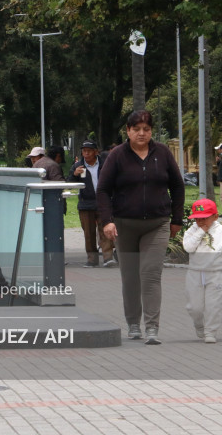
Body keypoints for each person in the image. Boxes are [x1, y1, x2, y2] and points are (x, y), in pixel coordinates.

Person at [97, 109, 184, 345]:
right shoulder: (117, 155)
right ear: (128, 131)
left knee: (151, 275)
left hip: (157, 224)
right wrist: (107, 221)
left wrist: (177, 219)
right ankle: (133, 323)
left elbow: (177, 186)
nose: (141, 133)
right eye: (136, 129)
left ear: (151, 131)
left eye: (146, 129)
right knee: (130, 276)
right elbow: (103, 190)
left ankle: (152, 327)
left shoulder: (163, 153)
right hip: (124, 225)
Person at [67, 140, 115, 268]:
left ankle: (108, 258)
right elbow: (69, 184)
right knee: (89, 233)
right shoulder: (78, 166)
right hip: (85, 204)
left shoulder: (105, 164)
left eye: (89, 151)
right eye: (84, 151)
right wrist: (74, 174)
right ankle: (92, 260)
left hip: (103, 202)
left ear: (96, 152)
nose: (86, 153)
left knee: (105, 230)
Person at [183, 198, 222, 344]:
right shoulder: (191, 231)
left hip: (216, 272)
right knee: (194, 307)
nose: (200, 222)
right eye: (197, 218)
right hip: (195, 272)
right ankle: (198, 324)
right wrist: (201, 231)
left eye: (204, 218)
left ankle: (210, 331)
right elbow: (188, 247)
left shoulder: (220, 231)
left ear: (215, 216)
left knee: (213, 305)